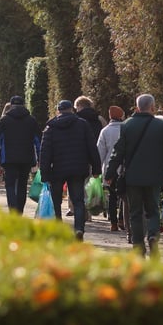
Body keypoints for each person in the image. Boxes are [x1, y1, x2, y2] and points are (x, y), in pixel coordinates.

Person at [105, 94, 163, 257]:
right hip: (154, 176)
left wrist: (110, 173)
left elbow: (118, 152)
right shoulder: (161, 126)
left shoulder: (127, 125)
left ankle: (138, 246)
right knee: (152, 210)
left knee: (135, 212)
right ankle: (152, 235)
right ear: (153, 107)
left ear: (137, 107)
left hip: (133, 177)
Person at [40, 100, 103, 241]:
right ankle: (79, 228)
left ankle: (58, 228)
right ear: (72, 110)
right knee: (78, 200)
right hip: (78, 168)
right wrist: (96, 168)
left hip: (57, 169)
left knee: (56, 200)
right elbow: (91, 147)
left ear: (58, 111)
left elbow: (45, 152)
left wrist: (44, 173)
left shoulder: (51, 127)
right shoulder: (82, 125)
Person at [0, 95, 40, 214]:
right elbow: (38, 140)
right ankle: (19, 211)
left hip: (9, 159)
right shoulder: (31, 120)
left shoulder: (5, 120)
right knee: (22, 185)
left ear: (11, 105)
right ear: (24, 105)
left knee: (10, 185)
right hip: (26, 158)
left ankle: (13, 210)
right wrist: (40, 157)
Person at [97, 105, 126, 233]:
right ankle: (122, 219)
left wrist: (98, 168)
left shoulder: (105, 131)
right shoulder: (126, 129)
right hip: (124, 168)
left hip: (110, 168)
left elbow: (100, 152)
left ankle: (113, 223)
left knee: (112, 195)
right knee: (124, 195)